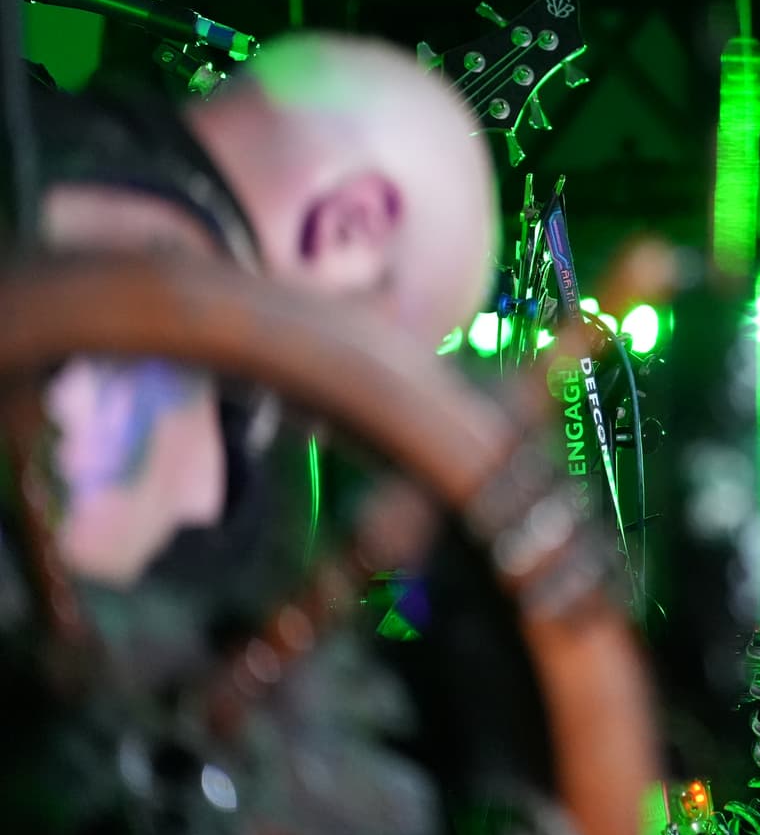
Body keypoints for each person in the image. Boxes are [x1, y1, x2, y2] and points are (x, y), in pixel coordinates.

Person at [30, 29, 499, 586]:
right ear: (352, 224)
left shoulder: (41, 114)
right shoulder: (192, 453)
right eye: (374, 361)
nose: (325, 425)